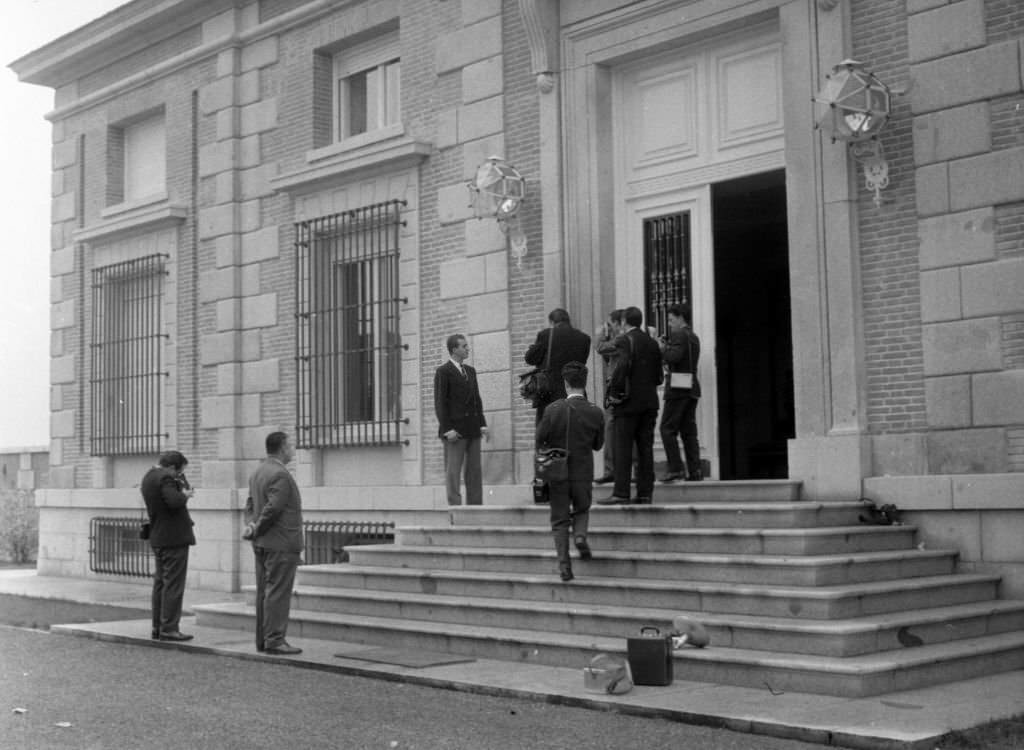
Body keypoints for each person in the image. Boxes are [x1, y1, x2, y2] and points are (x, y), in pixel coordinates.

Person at [535, 361, 605, 581]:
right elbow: (598, 445)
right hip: (583, 471)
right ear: (584, 383)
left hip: (558, 473)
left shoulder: (552, 409)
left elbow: (539, 439)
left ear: (565, 383)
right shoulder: (595, 412)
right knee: (582, 508)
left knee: (559, 520)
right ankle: (581, 536)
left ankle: (565, 567)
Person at [242, 431, 304, 655]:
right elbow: (273, 509)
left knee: (264, 592)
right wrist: (257, 526)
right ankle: (275, 640)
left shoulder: (258, 472)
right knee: (277, 592)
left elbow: (250, 505)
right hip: (280, 542)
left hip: (262, 543)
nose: (293, 450)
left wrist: (250, 526)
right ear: (282, 448)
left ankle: (264, 639)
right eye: (290, 446)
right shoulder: (280, 474)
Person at [598, 306, 663, 505]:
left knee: (623, 448)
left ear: (625, 321)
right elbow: (659, 377)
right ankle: (645, 493)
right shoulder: (653, 343)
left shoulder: (624, 340)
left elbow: (602, 349)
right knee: (645, 449)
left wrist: (602, 334)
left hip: (627, 403)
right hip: (650, 403)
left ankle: (621, 492)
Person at [141, 450, 195, 642]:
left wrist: (181, 480)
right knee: (173, 584)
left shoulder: (149, 476)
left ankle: (158, 626)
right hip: (174, 537)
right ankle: (169, 628)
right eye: (179, 471)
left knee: (161, 584)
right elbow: (174, 501)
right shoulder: (166, 478)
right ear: (172, 467)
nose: (179, 475)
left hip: (158, 536)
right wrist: (185, 495)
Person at [434, 334, 489, 505]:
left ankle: (475, 510)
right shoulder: (443, 371)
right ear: (454, 349)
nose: (467, 349)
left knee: (474, 472)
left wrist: (483, 424)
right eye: (464, 346)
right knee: (453, 473)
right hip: (454, 431)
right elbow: (440, 403)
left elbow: (476, 400)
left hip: (473, 428)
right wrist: (447, 429)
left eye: (467, 346)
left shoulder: (471, 371)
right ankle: (456, 511)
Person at [524, 308, 591, 424]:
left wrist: (532, 348)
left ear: (551, 322)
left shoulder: (546, 335)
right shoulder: (584, 338)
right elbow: (582, 363)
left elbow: (530, 358)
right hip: (576, 395)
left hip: (550, 396)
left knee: (547, 435)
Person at [659, 304, 703, 482]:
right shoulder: (694, 337)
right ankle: (695, 470)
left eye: (671, 320)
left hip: (678, 387)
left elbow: (674, 357)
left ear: (680, 318)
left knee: (667, 429)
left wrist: (662, 348)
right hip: (692, 386)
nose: (670, 324)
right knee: (688, 432)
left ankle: (676, 468)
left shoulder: (679, 335)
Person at [593, 309, 623, 484]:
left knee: (610, 430)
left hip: (616, 391)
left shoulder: (620, 340)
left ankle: (610, 470)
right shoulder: (625, 339)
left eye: (611, 324)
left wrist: (601, 334)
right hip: (621, 390)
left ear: (618, 324)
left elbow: (599, 348)